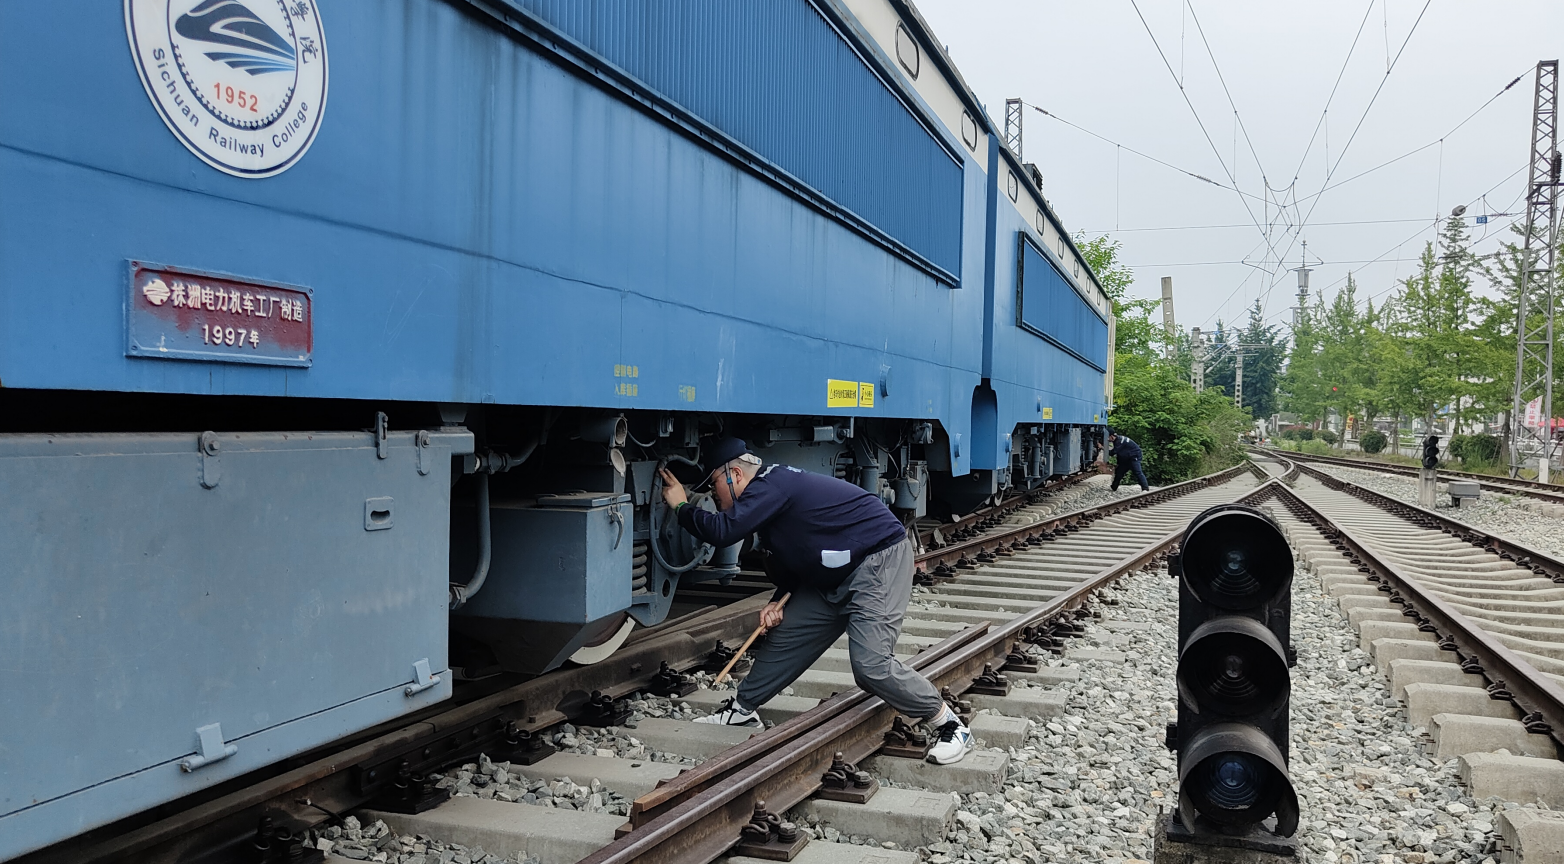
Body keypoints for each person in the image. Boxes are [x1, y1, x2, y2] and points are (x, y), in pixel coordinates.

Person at [656, 436, 974, 765]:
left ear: (735, 475)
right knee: (787, 634)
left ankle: (950, 724)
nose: (713, 494)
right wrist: (778, 601)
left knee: (871, 667)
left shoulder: (770, 484)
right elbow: (802, 553)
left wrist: (681, 506)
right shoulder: (770, 494)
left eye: (713, 485)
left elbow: (723, 531)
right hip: (833, 575)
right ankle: (742, 710)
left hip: (878, 561)